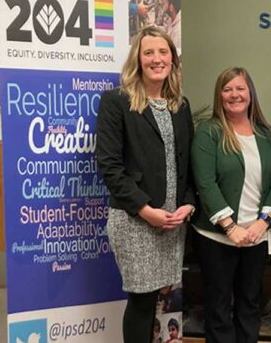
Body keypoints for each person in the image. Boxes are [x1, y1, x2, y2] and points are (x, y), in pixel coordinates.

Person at [96, 26, 196, 343]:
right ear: (138, 59)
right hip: (135, 219)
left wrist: (189, 203)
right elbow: (110, 166)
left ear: (172, 59)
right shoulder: (117, 102)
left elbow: (188, 164)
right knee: (141, 300)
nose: (157, 59)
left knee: (156, 298)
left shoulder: (180, 105)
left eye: (163, 52)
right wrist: (144, 209)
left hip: (171, 221)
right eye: (149, 52)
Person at [191, 67, 271, 343]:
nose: (234, 95)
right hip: (217, 237)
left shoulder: (268, 135)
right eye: (227, 89)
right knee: (218, 309)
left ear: (250, 93)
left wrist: (261, 223)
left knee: (250, 306)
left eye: (240, 88)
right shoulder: (208, 132)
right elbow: (206, 183)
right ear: (220, 95)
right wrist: (231, 228)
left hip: (255, 236)